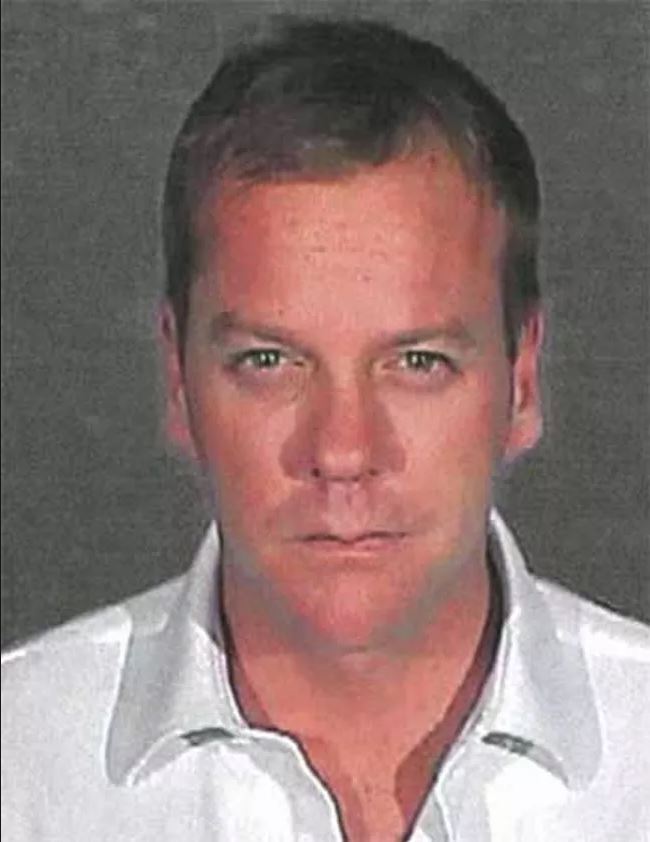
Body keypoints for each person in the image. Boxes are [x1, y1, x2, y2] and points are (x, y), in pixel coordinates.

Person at [2, 16, 649, 842]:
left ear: (521, 380)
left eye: (417, 362)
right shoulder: (20, 764)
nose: (343, 453)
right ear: (178, 379)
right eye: (270, 362)